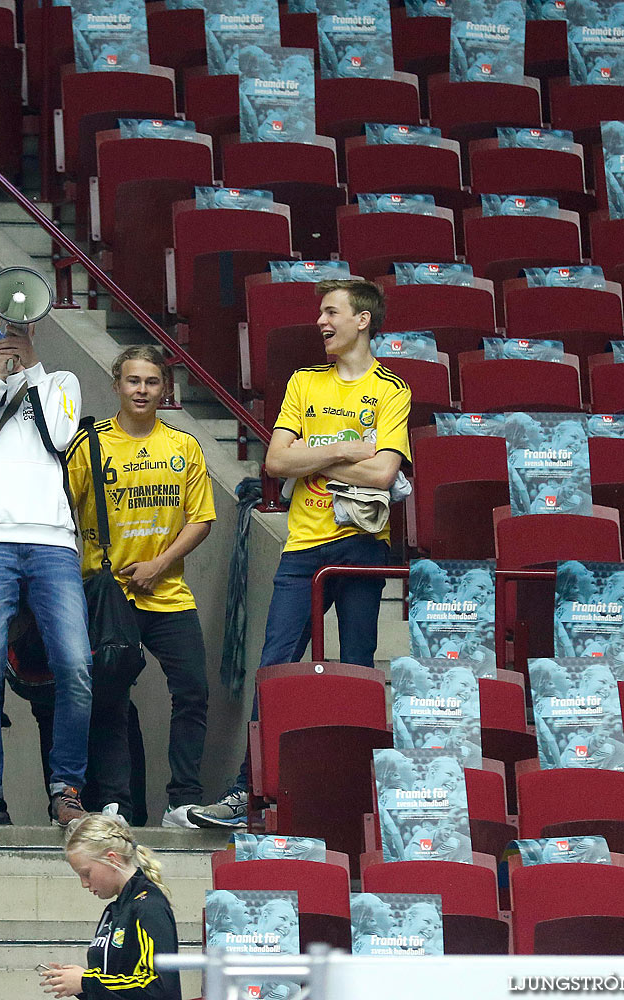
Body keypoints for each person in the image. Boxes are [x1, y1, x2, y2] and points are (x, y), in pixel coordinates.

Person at [189, 279, 411, 828]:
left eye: (331, 311)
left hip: (361, 546)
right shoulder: (303, 383)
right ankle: (249, 791)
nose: (320, 321)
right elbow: (275, 463)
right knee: (276, 667)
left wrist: (311, 455)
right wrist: (341, 448)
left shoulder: (392, 389)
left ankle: (356, 798)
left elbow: (384, 473)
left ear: (362, 320)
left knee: (358, 667)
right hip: (303, 546)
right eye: (319, 312)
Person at [0, 310, 91, 827]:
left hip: (52, 540)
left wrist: (28, 372)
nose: (5, 336)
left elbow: (61, 435)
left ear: (33, 332)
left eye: (17, 327)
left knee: (75, 665)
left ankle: (66, 788)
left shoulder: (60, 383)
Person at [66, 345, 215, 827]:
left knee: (192, 690)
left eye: (152, 382)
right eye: (134, 381)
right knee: (110, 698)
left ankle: (183, 800)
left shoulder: (184, 446)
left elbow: (202, 519)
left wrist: (160, 563)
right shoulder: (89, 445)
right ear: (117, 385)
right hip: (110, 595)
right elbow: (60, 509)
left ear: (164, 388)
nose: (142, 390)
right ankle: (116, 803)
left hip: (168, 591)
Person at [40, 813, 180, 1000]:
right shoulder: (113, 911)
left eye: (86, 873)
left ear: (112, 860)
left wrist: (85, 981)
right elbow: (111, 985)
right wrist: (77, 985)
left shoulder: (148, 906)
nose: (83, 883)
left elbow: (158, 987)